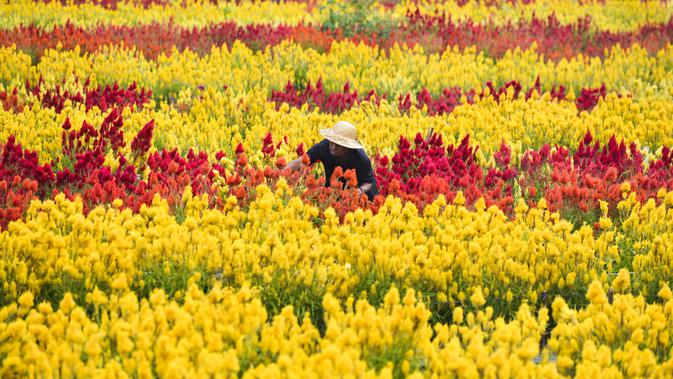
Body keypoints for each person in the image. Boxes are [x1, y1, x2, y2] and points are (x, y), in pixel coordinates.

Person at [287, 121, 379, 201]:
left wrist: (359, 191)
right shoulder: (323, 147)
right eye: (332, 142)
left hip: (361, 196)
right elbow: (302, 162)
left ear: (347, 146)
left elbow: (368, 182)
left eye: (338, 144)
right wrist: (283, 171)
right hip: (333, 190)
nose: (333, 147)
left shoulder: (360, 157)